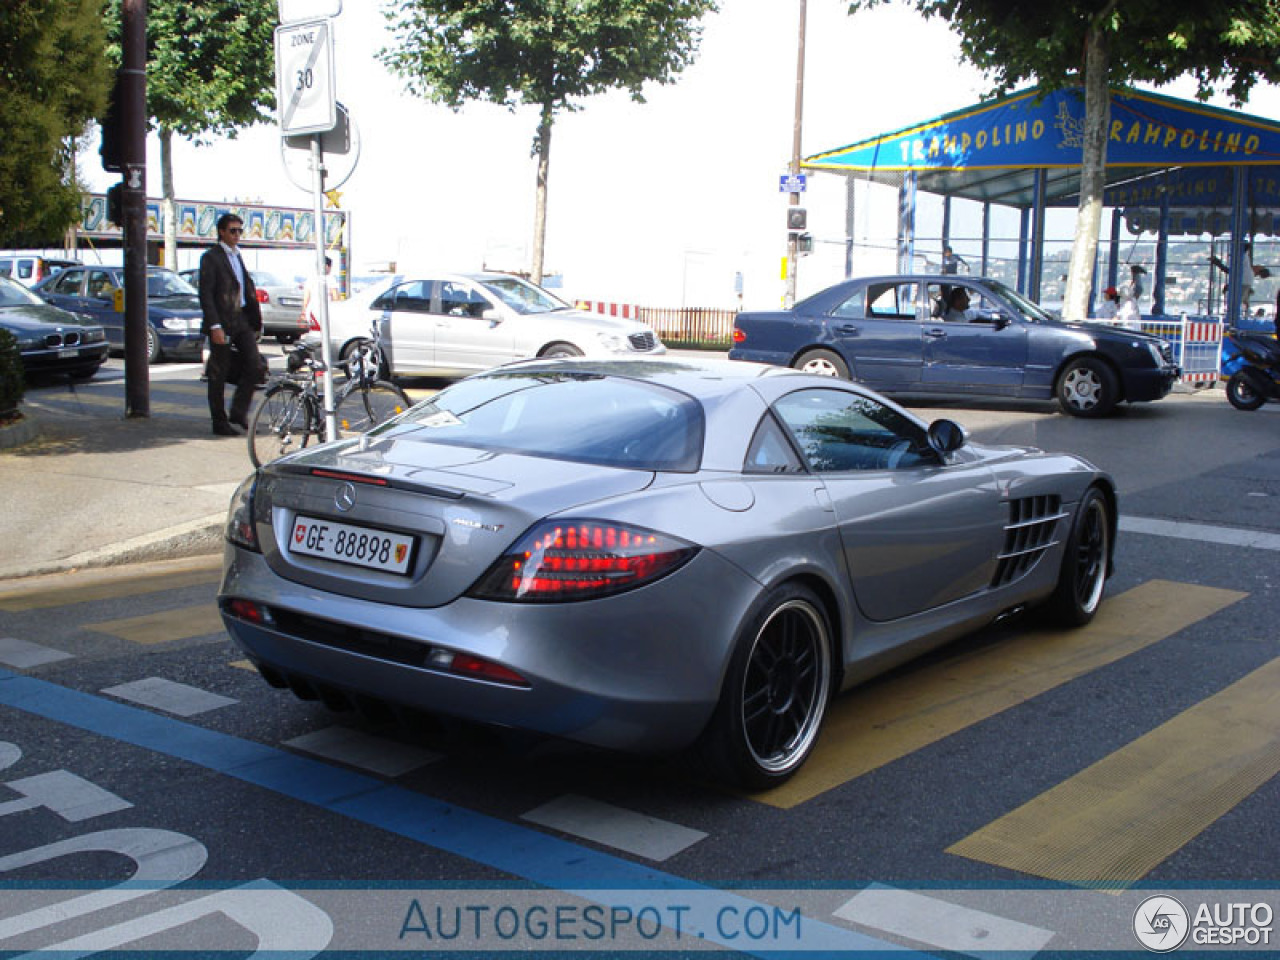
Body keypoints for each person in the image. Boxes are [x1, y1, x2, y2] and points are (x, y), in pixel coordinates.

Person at [200, 213, 263, 436]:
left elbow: (244, 287)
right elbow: (206, 294)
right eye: (233, 231)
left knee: (255, 364)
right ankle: (219, 421)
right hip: (222, 321)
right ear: (222, 232)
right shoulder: (211, 257)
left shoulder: (237, 256)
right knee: (219, 372)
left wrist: (255, 320)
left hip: (241, 319)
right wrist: (214, 326)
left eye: (240, 231)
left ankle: (238, 411)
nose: (237, 235)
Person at [302, 256, 336, 330]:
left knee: (315, 332)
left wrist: (304, 312)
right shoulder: (330, 279)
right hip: (327, 311)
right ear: (327, 266)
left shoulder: (310, 278)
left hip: (311, 311)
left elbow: (306, 297)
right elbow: (335, 297)